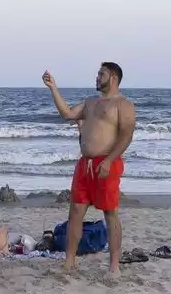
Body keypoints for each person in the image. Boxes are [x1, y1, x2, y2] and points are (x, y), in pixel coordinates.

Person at [43, 63, 137, 275]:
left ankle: (114, 266)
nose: (96, 77)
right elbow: (67, 114)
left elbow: (126, 136)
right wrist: (53, 88)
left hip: (107, 163)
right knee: (75, 212)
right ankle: (70, 261)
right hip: (84, 165)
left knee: (110, 213)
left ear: (113, 77)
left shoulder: (123, 105)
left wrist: (110, 160)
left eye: (101, 74)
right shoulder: (90, 102)